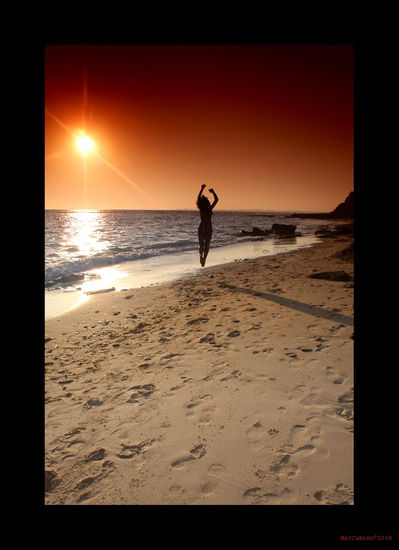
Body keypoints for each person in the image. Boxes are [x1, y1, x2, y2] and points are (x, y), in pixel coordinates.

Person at [196, 184, 218, 266]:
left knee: (201, 244)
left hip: (201, 227)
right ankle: (204, 258)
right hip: (208, 228)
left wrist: (201, 189)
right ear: (207, 203)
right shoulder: (209, 209)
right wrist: (213, 192)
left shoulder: (201, 210)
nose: (209, 202)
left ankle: (200, 255)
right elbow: (216, 200)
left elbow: (198, 199)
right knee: (207, 244)